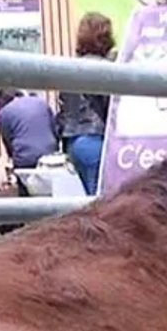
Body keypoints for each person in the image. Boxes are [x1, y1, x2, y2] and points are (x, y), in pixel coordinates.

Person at [55, 12, 114, 195]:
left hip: (72, 142)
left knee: (90, 199)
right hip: (96, 138)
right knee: (102, 201)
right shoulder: (106, 69)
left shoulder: (68, 69)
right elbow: (111, 108)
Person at [0, 88, 59, 196]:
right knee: (51, 191)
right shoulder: (40, 102)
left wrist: (13, 157)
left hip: (24, 157)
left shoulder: (4, 112)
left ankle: (27, 208)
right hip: (49, 153)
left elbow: (8, 142)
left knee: (26, 193)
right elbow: (54, 129)